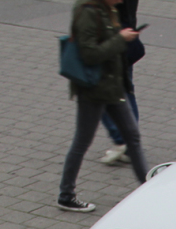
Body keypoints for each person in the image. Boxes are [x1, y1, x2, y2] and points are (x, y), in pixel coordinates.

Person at [57, 0, 149, 213]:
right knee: (82, 142)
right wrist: (120, 39)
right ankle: (66, 195)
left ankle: (147, 189)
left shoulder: (107, 9)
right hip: (94, 90)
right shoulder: (89, 12)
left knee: (132, 138)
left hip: (112, 87)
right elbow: (89, 54)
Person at [95, 0, 141, 166]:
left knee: (101, 91)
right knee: (126, 89)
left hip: (114, 38)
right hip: (124, 34)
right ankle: (130, 145)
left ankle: (124, 140)